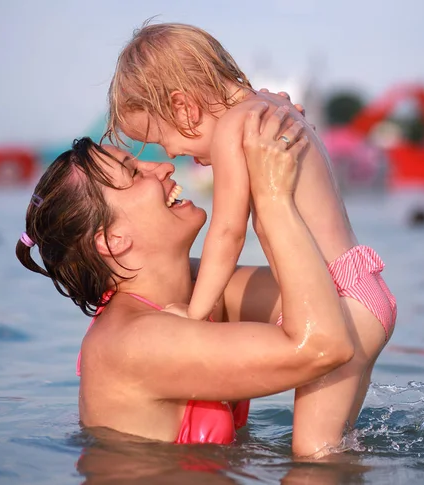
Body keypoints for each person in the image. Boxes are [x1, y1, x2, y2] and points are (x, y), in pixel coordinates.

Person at [105, 22, 397, 457]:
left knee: (314, 457)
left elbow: (227, 232)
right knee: (341, 448)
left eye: (158, 137)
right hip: (364, 287)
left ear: (183, 107)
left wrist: (194, 314)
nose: (167, 154)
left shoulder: (234, 130)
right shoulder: (273, 109)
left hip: (341, 305)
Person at [15, 105, 354, 445]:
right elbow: (324, 347)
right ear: (112, 240)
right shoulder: (132, 344)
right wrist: (273, 198)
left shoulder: (198, 288)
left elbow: (342, 295)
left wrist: (275, 128)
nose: (162, 167)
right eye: (134, 174)